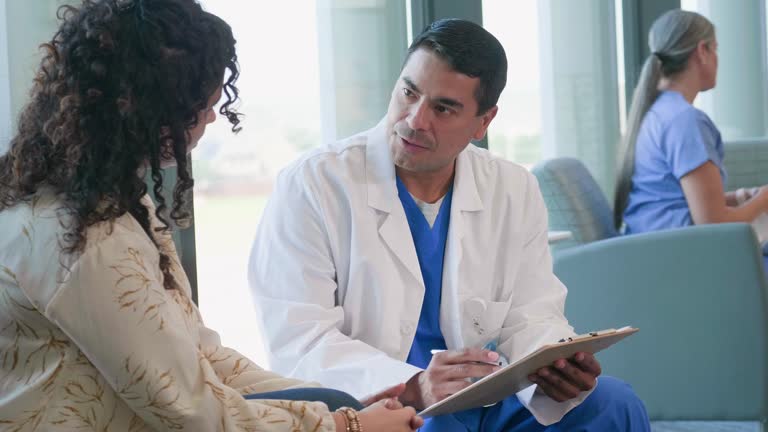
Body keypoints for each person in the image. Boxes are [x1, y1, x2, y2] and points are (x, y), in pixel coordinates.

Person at [0, 1, 422, 431]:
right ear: (151, 110)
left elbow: (200, 356)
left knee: (330, 397)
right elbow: (191, 411)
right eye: (202, 105)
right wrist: (348, 426)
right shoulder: (89, 239)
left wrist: (337, 409)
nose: (212, 116)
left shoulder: (111, 202)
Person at [249, 18, 650, 431]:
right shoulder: (313, 184)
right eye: (409, 92)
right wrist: (413, 385)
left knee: (612, 405)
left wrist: (554, 364)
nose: (415, 120)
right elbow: (299, 340)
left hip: (481, 396)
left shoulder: (512, 187)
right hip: (380, 406)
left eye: (443, 108)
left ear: (483, 122)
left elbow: (531, 313)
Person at [614, 9, 768, 237]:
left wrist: (738, 198)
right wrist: (764, 198)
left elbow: (672, 205)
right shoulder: (685, 121)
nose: (717, 58)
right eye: (715, 49)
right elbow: (714, 224)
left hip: (659, 249)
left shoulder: (659, 113)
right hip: (683, 256)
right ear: (702, 51)